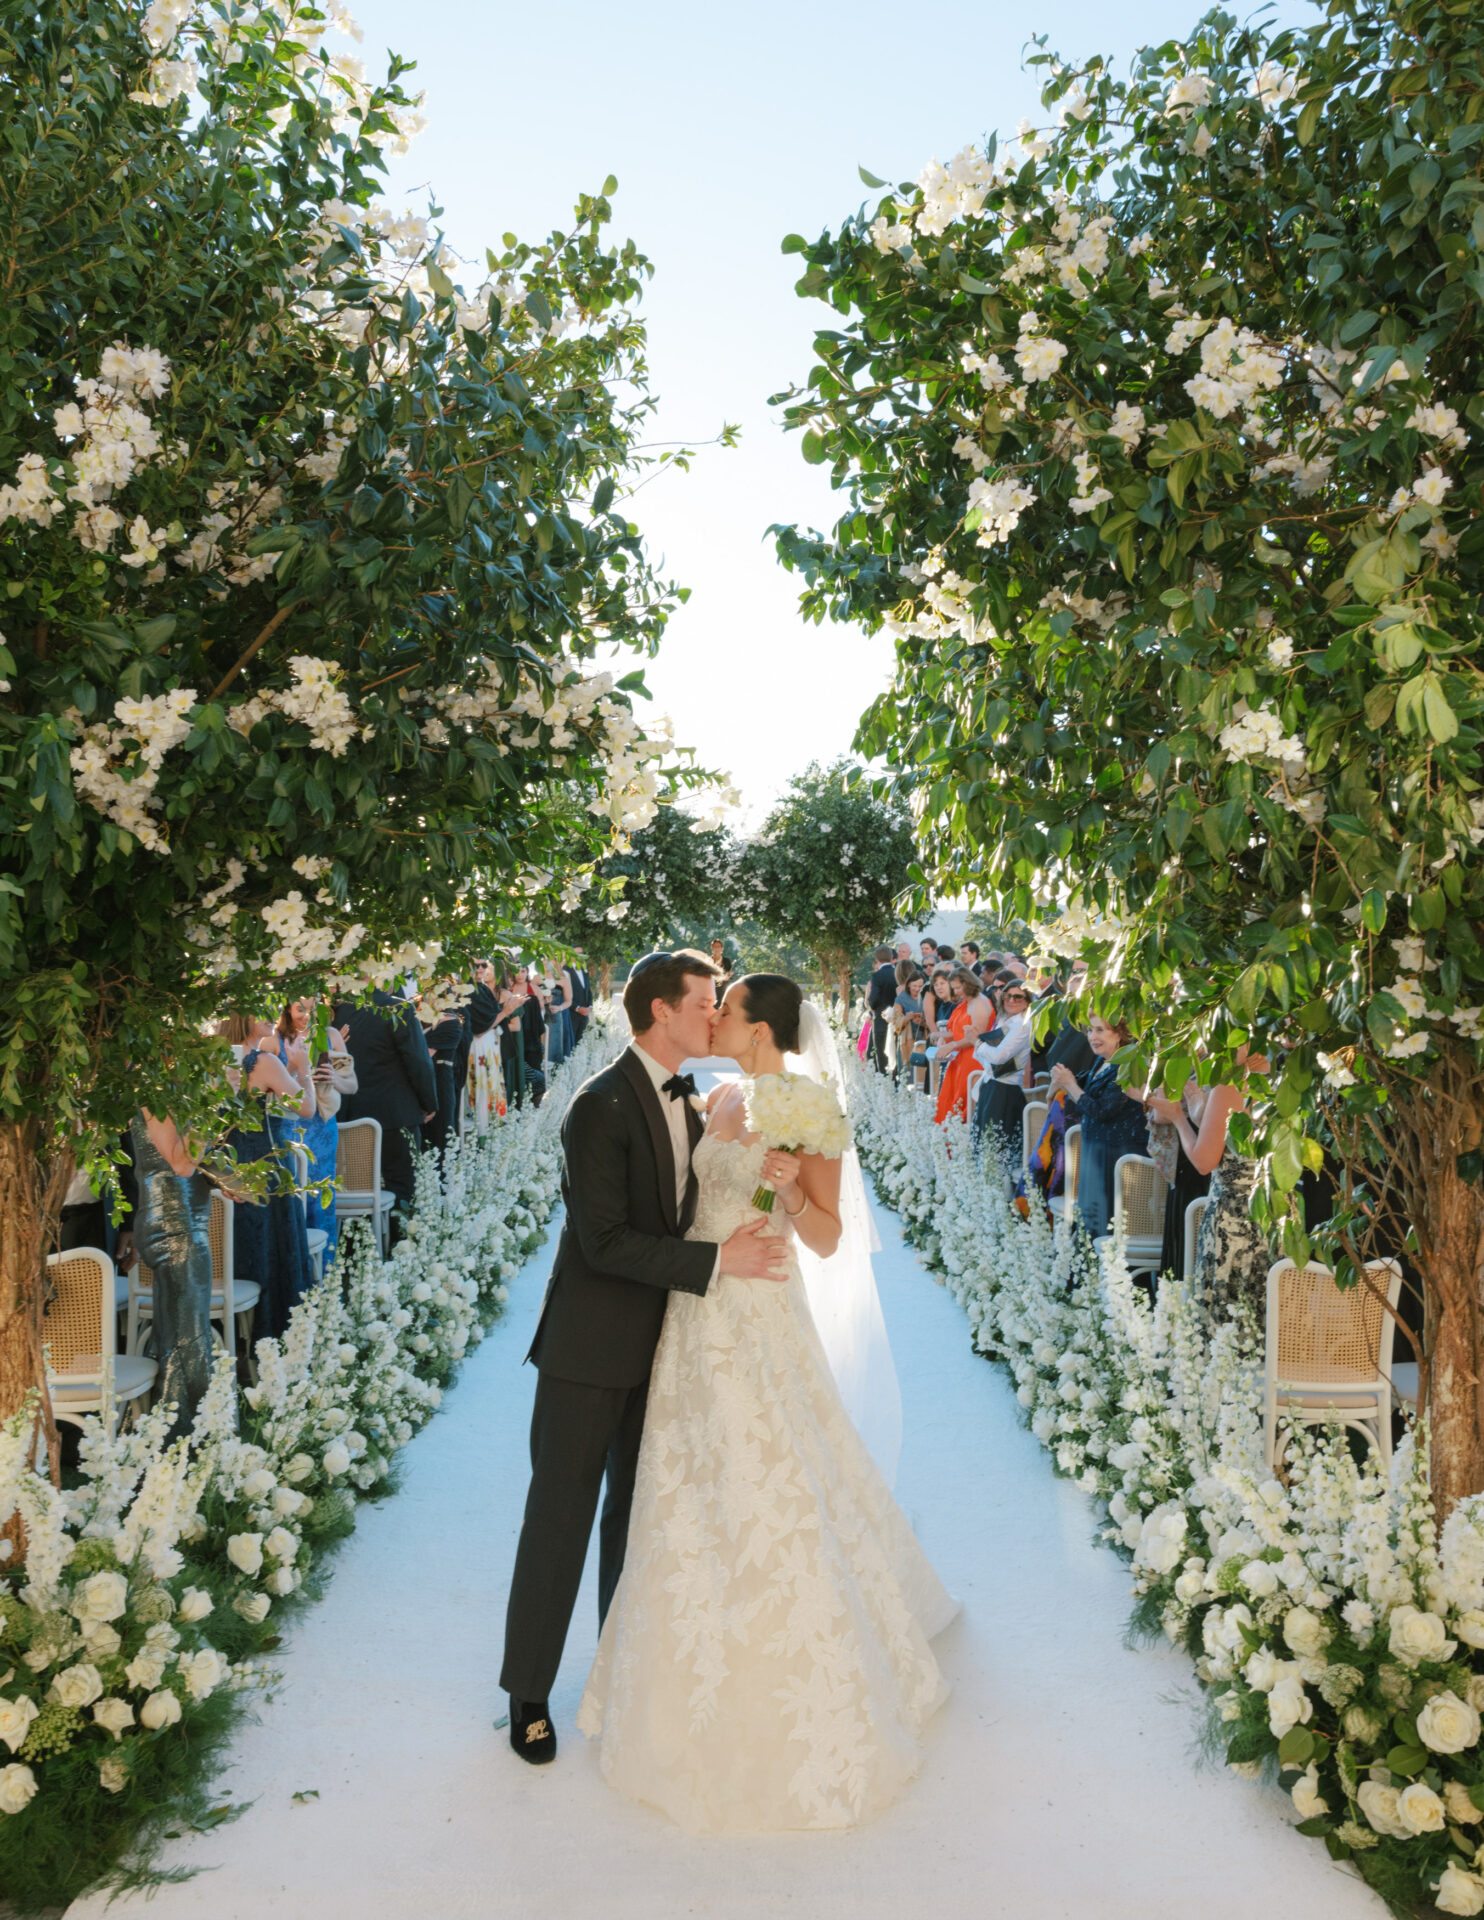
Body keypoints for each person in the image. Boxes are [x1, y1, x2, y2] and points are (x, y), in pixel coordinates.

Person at [578, 971, 955, 1832]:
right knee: (683, 1479)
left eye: (727, 1007)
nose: (713, 1015)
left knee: (773, 1475)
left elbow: (825, 1237)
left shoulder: (809, 1108)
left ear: (758, 1028)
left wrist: (787, 1188)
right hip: (693, 1315)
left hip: (760, 1315)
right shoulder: (720, 1102)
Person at [501, 952, 790, 1767]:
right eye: (704, 1003)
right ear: (663, 1012)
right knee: (559, 1521)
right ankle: (528, 1695)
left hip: (669, 1347)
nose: (713, 1015)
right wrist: (715, 1266)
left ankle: (621, 1674)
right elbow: (603, 1242)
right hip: (589, 1348)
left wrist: (770, 1184)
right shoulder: (598, 1105)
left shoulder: (696, 1103)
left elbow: (709, 1203)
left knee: (636, 1522)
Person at [1146, 1047, 1269, 1324]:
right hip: (1272, 1212)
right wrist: (1198, 1107)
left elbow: (1203, 1161)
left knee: (1227, 1323)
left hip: (1234, 1217)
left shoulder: (1230, 1084)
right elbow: (1236, 1139)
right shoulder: (1274, 1076)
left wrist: (1178, 1117)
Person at [221, 1013, 317, 1340]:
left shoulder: (211, 1059)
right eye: (260, 1012)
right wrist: (303, 1069)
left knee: (235, 1247)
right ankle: (274, 1334)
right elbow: (306, 1108)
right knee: (272, 1248)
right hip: (263, 1164)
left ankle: (236, 1337)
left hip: (222, 1167)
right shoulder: (261, 1061)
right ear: (244, 1019)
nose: (271, 1018)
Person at [128, 1108, 216, 1440]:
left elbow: (190, 1161)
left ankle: (158, 1436)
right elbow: (180, 1165)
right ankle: (189, 1444)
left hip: (182, 1221)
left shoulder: (178, 1089)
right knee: (189, 1341)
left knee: (176, 1336)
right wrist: (214, 1104)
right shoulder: (157, 1089)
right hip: (175, 1226)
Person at [331, 986, 438, 1212]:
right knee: (402, 1186)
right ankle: (398, 1243)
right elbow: (418, 1061)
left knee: (355, 1188)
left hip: (350, 1114)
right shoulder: (399, 1008)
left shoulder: (337, 1010)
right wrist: (429, 1103)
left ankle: (356, 1245)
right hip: (395, 1114)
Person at [1048, 1014, 1150, 1241]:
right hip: (1097, 1150)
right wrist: (1063, 1080)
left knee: (1107, 1224)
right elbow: (1088, 1088)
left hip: (1117, 1155)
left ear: (1120, 1033)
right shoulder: (1104, 1061)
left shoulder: (1128, 1064)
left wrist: (1070, 1085)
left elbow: (1101, 1110)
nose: (1093, 1037)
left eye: (1100, 1030)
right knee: (1091, 1219)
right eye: (1090, 1031)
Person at [278, 998, 356, 1264]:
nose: (307, 1015)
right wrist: (294, 1068)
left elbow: (352, 1084)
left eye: (313, 1009)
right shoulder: (273, 1039)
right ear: (287, 1008)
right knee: (290, 1199)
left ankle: (325, 1275)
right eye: (301, 1009)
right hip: (287, 1126)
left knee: (320, 1200)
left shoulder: (330, 1036)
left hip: (321, 1126)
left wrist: (336, 1079)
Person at [970, 977, 1034, 1155]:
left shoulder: (1023, 1025)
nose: (1011, 1000)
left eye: (1018, 997)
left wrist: (977, 1042)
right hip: (991, 1084)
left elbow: (999, 1057)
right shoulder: (1005, 1020)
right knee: (983, 1145)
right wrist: (980, 1046)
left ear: (1027, 1002)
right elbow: (984, 1059)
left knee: (998, 1149)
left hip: (1005, 1091)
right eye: (1008, 996)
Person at [933, 965, 992, 1124]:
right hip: (958, 1060)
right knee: (949, 1102)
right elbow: (958, 1031)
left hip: (972, 1060)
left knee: (961, 1106)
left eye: (958, 987)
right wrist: (941, 1036)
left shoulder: (979, 1002)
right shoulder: (966, 1002)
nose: (956, 992)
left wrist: (951, 1045)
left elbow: (977, 1036)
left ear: (968, 983)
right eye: (954, 988)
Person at [891, 959, 928, 1086]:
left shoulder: (922, 995)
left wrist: (920, 1021)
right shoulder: (903, 997)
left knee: (915, 1078)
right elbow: (896, 1023)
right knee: (913, 1078)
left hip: (915, 1039)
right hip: (913, 1039)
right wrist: (909, 1018)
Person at [865, 944, 897, 1072]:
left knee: (881, 1055)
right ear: (891, 958)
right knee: (895, 1053)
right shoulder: (897, 973)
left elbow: (873, 999)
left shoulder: (877, 976)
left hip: (880, 1020)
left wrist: (872, 1007)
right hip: (897, 1019)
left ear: (877, 959)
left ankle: (883, 1080)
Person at [568, 954, 595, 1046]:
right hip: (571, 1015)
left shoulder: (584, 971)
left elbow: (588, 990)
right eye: (576, 953)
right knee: (570, 1045)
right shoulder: (565, 971)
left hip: (584, 1016)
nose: (579, 956)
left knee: (581, 1044)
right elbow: (564, 995)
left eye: (581, 953)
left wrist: (590, 1006)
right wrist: (577, 1008)